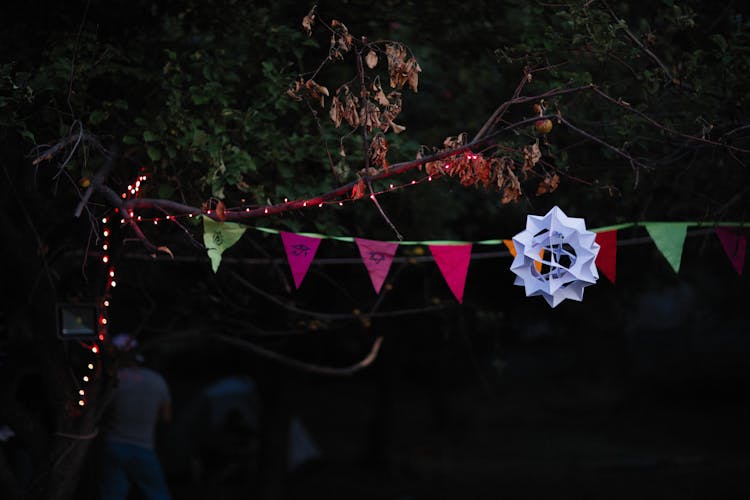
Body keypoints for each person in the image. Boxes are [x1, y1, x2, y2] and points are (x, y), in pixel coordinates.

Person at [99, 333, 172, 500]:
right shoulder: (158, 381)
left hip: (113, 446)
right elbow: (166, 417)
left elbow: (101, 412)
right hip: (143, 447)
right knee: (158, 494)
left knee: (113, 494)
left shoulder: (114, 381)